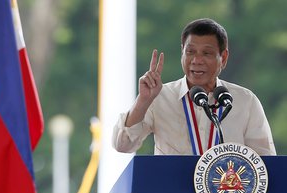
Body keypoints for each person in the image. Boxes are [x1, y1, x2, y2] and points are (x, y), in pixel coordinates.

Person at [112, 18, 276, 156]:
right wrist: (143, 100)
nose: (197, 60)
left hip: (226, 192)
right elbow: (123, 146)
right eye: (190, 52)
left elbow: (265, 163)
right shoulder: (159, 97)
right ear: (182, 52)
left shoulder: (245, 101)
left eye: (206, 53)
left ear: (223, 58)